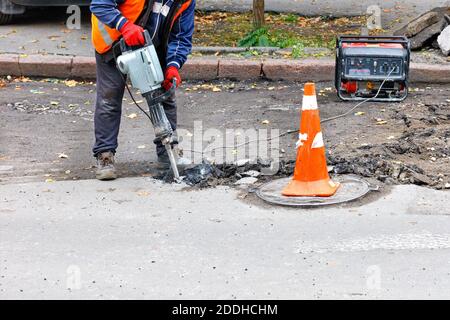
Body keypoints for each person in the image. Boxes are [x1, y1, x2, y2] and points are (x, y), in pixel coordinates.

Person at [90, 0, 195, 180]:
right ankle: (105, 155)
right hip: (113, 40)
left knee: (165, 96)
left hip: (151, 45)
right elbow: (100, 5)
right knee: (109, 98)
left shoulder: (185, 1)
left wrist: (173, 65)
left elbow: (181, 36)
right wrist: (125, 26)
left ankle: (167, 153)